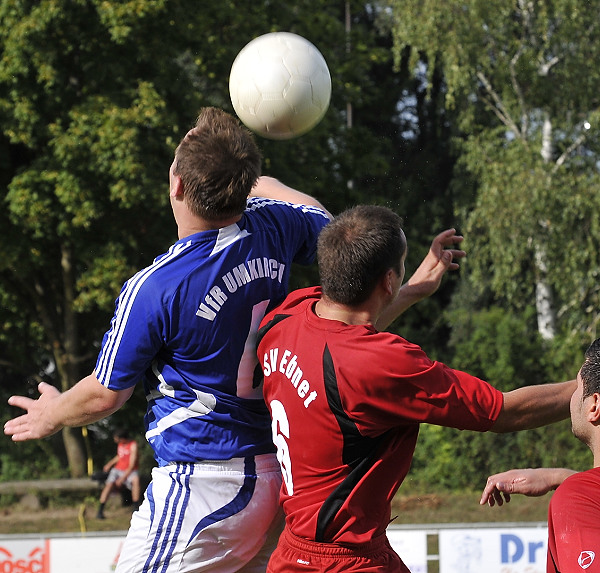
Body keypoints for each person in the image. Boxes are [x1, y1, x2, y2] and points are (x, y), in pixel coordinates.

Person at [4, 107, 333, 573]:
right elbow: (328, 226)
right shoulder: (273, 226)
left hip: (204, 484)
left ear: (176, 185)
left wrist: (52, 413)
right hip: (275, 472)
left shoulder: (157, 287)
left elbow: (105, 395)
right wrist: (264, 183)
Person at [256, 204, 576, 573]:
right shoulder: (383, 362)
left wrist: (408, 292)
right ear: (387, 279)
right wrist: (589, 383)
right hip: (346, 562)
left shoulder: (285, 318)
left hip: (293, 553)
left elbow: (341, 340)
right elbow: (504, 412)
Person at [481, 337, 600, 573]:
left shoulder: (578, 497)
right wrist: (561, 477)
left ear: (594, 405)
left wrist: (576, 486)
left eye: (577, 387)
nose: (571, 398)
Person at [96, 428, 141, 519]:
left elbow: (132, 465)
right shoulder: (120, 444)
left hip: (130, 470)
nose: (114, 440)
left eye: (116, 438)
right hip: (118, 469)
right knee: (109, 484)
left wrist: (122, 478)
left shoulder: (133, 445)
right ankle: (100, 510)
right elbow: (120, 456)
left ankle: (135, 507)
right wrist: (109, 464)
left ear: (122, 438)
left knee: (136, 481)